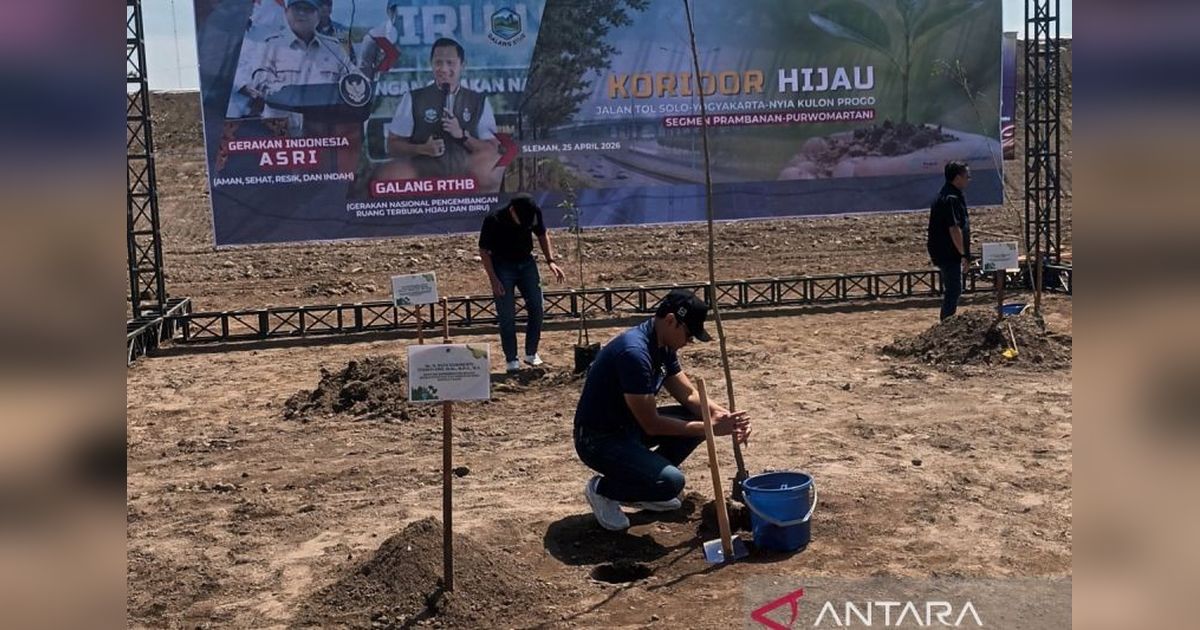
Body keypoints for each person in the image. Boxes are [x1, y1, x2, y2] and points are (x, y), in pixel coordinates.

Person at [573, 290, 752, 531]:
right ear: (670, 320)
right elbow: (652, 424)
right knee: (671, 482)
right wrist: (711, 428)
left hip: (629, 427)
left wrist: (728, 417)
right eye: (688, 334)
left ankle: (648, 486)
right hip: (599, 439)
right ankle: (603, 490)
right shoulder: (634, 353)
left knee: (698, 416)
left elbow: (689, 395)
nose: (689, 342)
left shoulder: (663, 346)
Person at [376, 37, 506, 191]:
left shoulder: (478, 101)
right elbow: (393, 146)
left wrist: (463, 136)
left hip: (467, 182)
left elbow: (492, 149)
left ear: (463, 65)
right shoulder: (413, 98)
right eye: (438, 63)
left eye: (450, 63)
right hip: (425, 184)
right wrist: (422, 149)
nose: (443, 69)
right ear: (431, 64)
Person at [242, 0, 357, 136]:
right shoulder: (270, 46)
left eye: (307, 9)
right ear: (286, 12)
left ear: (318, 15)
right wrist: (294, 95)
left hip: (324, 133)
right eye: (296, 8)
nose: (301, 13)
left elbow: (356, 82)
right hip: (280, 134)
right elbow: (261, 82)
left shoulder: (334, 49)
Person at [478, 195, 566, 372]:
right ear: (512, 211)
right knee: (507, 315)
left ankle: (531, 353)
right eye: (521, 221)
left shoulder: (533, 213)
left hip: (527, 263)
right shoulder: (493, 220)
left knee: (537, 306)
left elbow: (542, 234)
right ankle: (511, 359)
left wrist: (550, 260)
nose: (525, 225)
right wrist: (494, 279)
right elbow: (483, 251)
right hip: (502, 266)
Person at [927, 160, 973, 320]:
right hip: (948, 252)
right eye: (967, 176)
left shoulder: (949, 195)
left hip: (946, 251)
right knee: (954, 289)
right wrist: (964, 254)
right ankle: (946, 324)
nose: (969, 179)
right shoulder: (951, 199)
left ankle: (947, 322)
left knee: (954, 288)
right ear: (957, 178)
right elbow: (954, 228)